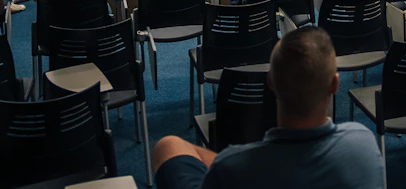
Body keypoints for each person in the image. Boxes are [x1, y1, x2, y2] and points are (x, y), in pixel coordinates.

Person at [151, 26, 384, 189]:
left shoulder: (231, 168)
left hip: (238, 168)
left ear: (270, 82)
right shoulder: (362, 142)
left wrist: (232, 160)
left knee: (168, 145)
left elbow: (228, 165)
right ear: (334, 84)